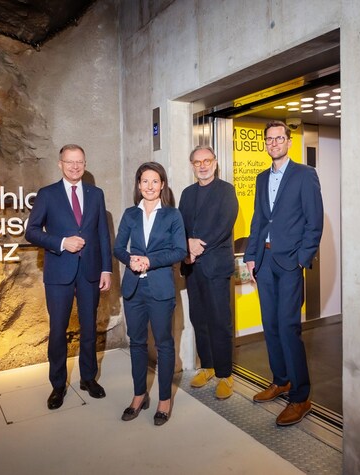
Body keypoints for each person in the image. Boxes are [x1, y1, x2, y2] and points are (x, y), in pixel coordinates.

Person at [243, 120, 324, 426]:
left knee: (289, 327)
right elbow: (258, 220)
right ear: (265, 143)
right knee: (271, 325)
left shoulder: (305, 175)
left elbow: (314, 221)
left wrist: (302, 258)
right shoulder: (262, 178)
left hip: (290, 263)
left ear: (289, 142)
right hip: (263, 262)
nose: (274, 143)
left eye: (279, 138)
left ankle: (301, 397)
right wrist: (250, 256)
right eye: (269, 139)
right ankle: (281, 380)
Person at [25, 144, 112, 410]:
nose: (75, 167)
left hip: (89, 272)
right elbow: (32, 231)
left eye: (80, 162)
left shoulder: (96, 194)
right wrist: (62, 242)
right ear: (60, 164)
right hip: (58, 273)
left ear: (85, 164)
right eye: (70, 162)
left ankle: (88, 378)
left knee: (89, 329)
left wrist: (106, 268)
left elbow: (102, 234)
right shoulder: (47, 194)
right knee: (58, 331)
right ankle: (58, 385)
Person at [113, 162, 187, 426]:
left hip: (160, 287)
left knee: (164, 344)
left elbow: (179, 251)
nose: (150, 186)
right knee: (136, 342)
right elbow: (119, 248)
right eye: (145, 181)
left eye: (155, 181)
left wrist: (149, 260)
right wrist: (131, 259)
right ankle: (138, 395)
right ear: (138, 185)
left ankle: (164, 400)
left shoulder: (172, 215)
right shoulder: (130, 214)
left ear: (163, 185)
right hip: (134, 287)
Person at [178, 145, 239, 399]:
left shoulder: (226, 191)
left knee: (219, 321)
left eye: (207, 161)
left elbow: (224, 225)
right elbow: (178, 224)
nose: (202, 166)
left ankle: (225, 374)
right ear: (192, 166)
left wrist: (196, 246)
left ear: (215, 163)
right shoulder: (186, 193)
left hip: (215, 264)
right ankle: (208, 367)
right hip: (193, 268)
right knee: (199, 319)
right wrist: (186, 245)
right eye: (197, 162)